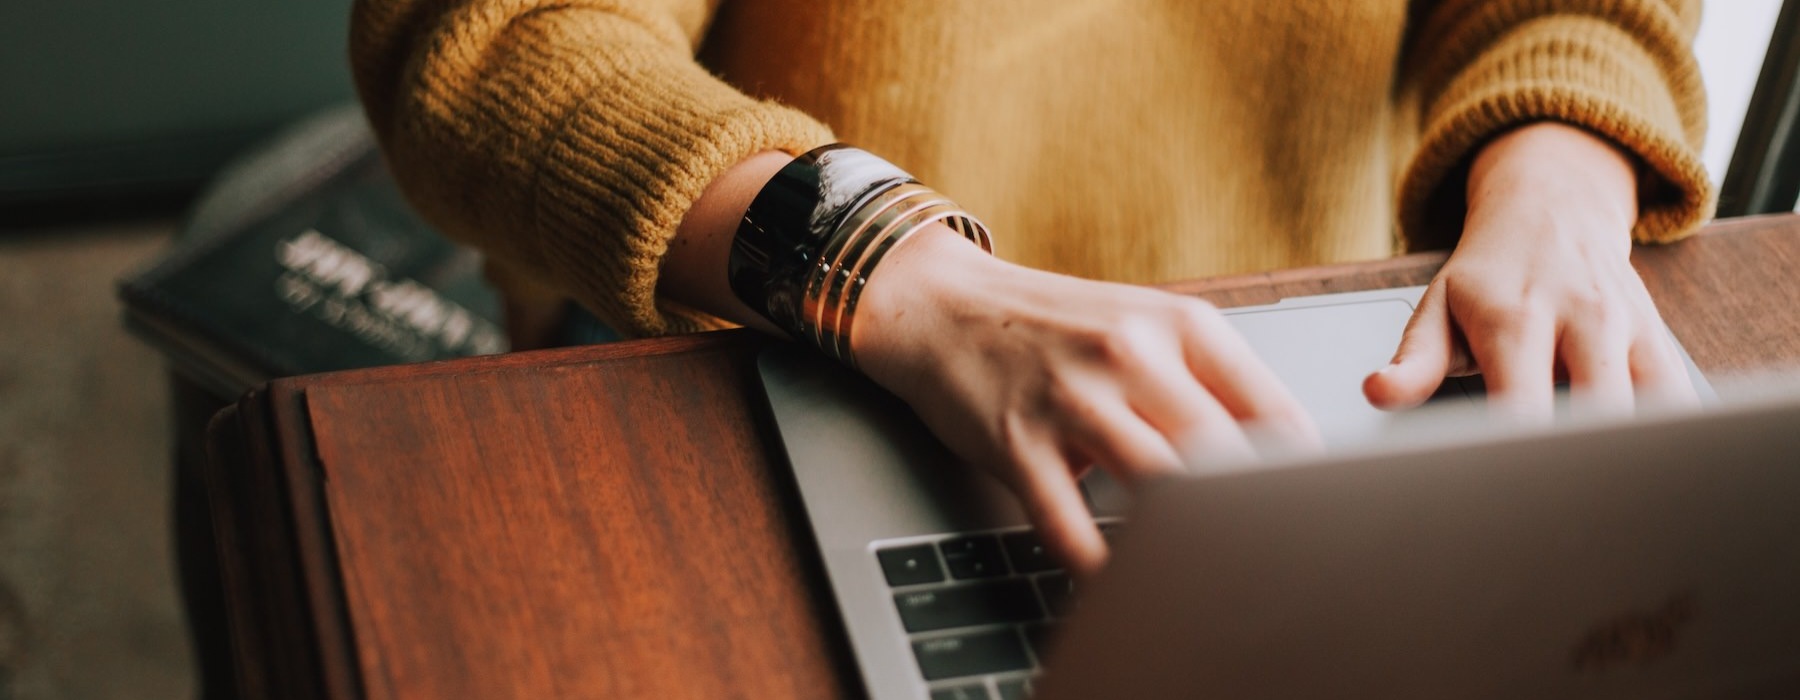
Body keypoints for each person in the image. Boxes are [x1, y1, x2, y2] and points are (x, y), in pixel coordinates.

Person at [349, 0, 1714, 576]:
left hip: (1314, 377)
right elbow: (486, 41)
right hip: (772, 343)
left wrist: (1561, 171)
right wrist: (888, 267)